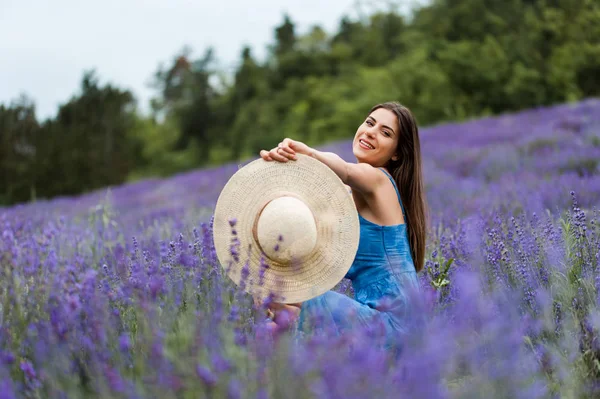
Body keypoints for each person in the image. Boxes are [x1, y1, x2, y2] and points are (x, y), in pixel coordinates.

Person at [258, 102, 428, 347]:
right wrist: (279, 163)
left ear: (396, 153)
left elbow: (346, 170)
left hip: (396, 325)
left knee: (297, 304)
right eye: (370, 123)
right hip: (373, 318)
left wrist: (310, 154)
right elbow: (300, 218)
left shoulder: (379, 181)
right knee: (279, 301)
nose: (371, 131)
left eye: (385, 132)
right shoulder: (345, 199)